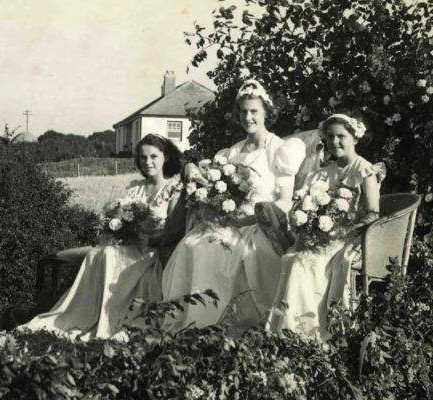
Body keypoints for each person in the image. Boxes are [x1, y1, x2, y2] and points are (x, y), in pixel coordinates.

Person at [161, 80, 306, 331]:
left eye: (254, 111)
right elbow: (214, 192)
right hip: (228, 220)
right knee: (192, 244)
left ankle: (230, 324)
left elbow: (285, 199)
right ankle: (195, 322)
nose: (248, 117)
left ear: (266, 113)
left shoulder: (279, 149)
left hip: (260, 222)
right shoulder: (231, 152)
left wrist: (255, 218)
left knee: (227, 251)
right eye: (243, 112)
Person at [18, 134, 183, 340]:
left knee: (109, 255)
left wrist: (146, 239)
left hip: (152, 251)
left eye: (153, 156)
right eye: (143, 157)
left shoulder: (174, 188)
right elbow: (121, 216)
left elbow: (174, 230)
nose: (148, 162)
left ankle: (110, 322)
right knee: (99, 253)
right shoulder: (135, 187)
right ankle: (91, 317)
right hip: (129, 246)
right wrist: (120, 228)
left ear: (165, 157)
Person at [267, 113, 385, 340]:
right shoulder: (321, 173)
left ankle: (311, 334)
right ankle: (288, 331)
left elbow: (373, 214)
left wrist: (342, 232)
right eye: (330, 137)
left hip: (349, 236)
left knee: (302, 263)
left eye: (341, 136)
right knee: (291, 257)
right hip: (321, 235)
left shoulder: (364, 170)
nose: (335, 142)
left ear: (355, 138)